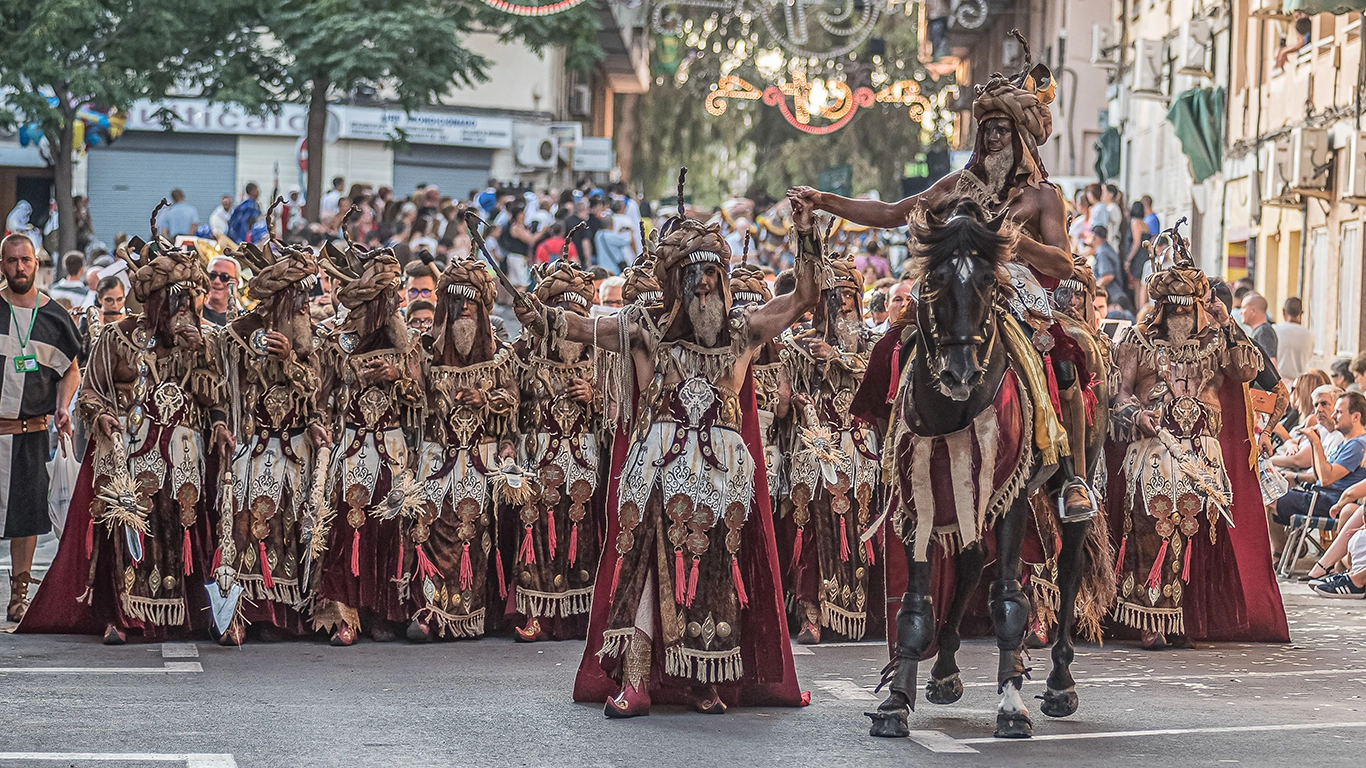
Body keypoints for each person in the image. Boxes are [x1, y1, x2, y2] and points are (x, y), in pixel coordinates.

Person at [540, 177, 816, 717]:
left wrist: (806, 233)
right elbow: (588, 328)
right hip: (660, 460)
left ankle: (704, 677)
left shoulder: (742, 330)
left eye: (713, 276)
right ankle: (637, 677)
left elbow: (803, 298)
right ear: (677, 284)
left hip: (725, 468)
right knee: (644, 556)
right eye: (694, 277)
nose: (704, 287)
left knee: (718, 562)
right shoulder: (646, 329)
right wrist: (544, 316)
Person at [23, 233, 227, 643]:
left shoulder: (203, 340)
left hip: (184, 455)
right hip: (130, 450)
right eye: (175, 303)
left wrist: (200, 355)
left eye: (189, 302)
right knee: (125, 530)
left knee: (181, 529)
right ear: (154, 303)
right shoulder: (117, 338)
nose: (184, 311)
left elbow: (215, 397)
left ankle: (186, 615)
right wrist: (101, 419)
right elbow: (93, 392)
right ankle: (122, 615)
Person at [1111, 252, 1263, 649]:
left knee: (1197, 535)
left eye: (1188, 305)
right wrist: (1138, 416)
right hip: (1153, 448)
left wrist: (1227, 321)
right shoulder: (1136, 340)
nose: (1179, 315)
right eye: (1171, 306)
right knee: (1150, 526)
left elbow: (1248, 370)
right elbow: (1120, 395)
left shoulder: (1217, 340)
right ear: (1158, 307)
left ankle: (1188, 618)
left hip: (1203, 450)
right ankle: (1148, 617)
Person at [215, 241, 328, 645]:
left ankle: (286, 616)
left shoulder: (310, 340)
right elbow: (223, 392)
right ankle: (240, 614)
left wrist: (291, 363)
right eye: (297, 302)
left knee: (290, 529)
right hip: (252, 449)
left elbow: (316, 392)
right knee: (245, 529)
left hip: (295, 451)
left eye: (306, 301)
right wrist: (221, 425)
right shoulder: (238, 337)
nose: (304, 309)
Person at [403, 255, 518, 643]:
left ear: (484, 309)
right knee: (426, 531)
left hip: (482, 462)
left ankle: (471, 615)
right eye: (455, 301)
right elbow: (410, 399)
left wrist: (486, 400)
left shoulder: (502, 355)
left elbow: (514, 406)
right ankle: (428, 613)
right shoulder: (425, 352)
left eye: (471, 301)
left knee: (477, 537)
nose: (464, 308)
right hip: (436, 460)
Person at [312, 240, 420, 646]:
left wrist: (398, 378)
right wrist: (318, 427)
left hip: (392, 449)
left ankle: (384, 613)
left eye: (393, 296)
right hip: (353, 447)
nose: (391, 304)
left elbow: (425, 399)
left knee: (389, 530)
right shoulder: (337, 340)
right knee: (346, 527)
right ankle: (345, 615)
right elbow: (320, 395)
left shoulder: (408, 345)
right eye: (384, 297)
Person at [505, 261, 603, 642]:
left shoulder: (602, 356)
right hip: (537, 458)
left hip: (585, 462)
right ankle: (536, 615)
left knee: (584, 535)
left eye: (579, 313)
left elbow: (622, 403)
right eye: (563, 312)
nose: (572, 321)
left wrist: (594, 397)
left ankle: (581, 617)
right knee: (536, 534)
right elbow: (508, 402)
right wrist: (508, 444)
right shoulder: (522, 351)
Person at [784, 254, 879, 644]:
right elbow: (786, 396)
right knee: (811, 530)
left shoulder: (871, 343)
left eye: (851, 300)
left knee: (862, 527)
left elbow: (875, 376)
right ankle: (812, 615)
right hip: (814, 447)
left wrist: (837, 356)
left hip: (861, 448)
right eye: (836, 298)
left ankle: (864, 614)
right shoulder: (798, 346)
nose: (845, 307)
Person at [0, 235, 81, 623]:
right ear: (2, 266)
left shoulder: (54, 317)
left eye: (25, 260)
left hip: (29, 433)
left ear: (36, 264)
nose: (19, 267)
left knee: (26, 516)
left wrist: (62, 405)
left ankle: (19, 594)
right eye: (12, 261)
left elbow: (70, 369)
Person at [1269, 392, 1366, 537]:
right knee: (1267, 491)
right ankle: (1278, 553)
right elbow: (1318, 475)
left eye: (1338, 412)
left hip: (1329, 503)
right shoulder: (1349, 443)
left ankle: (1276, 554)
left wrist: (1315, 443)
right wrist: (1316, 446)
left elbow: (1326, 479)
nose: (1333, 416)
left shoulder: (1357, 445)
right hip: (1320, 497)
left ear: (1356, 417)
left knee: (1268, 498)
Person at [1274, 297, 1314, 380]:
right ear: (1302, 313)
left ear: (1283, 311)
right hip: (1299, 383)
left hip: (1278, 382)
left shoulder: (1274, 331)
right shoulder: (1309, 335)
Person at [1240, 293, 1278, 366]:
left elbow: (1271, 362)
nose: (1240, 312)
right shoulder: (1259, 331)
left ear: (1253, 311)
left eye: (1243, 307)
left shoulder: (1264, 332)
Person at [1089, 225, 1123, 303]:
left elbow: (1108, 276)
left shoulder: (1102, 252)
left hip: (1112, 296)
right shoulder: (1107, 248)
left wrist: (1094, 290)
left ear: (1094, 237)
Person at [202, 256, 240, 326]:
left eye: (224, 277)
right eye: (212, 275)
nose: (217, 281)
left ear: (236, 283)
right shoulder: (193, 309)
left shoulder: (243, 318)